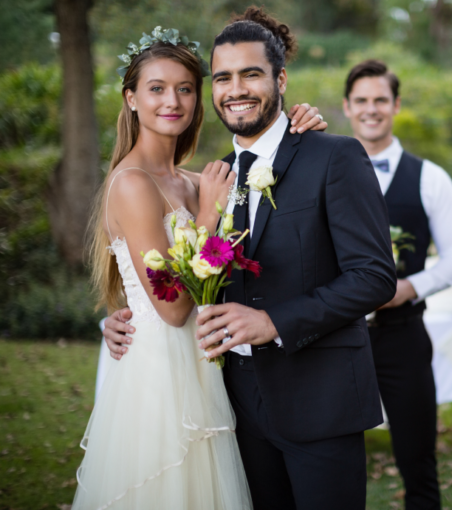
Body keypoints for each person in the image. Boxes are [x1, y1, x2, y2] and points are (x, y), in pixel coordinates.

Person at [102, 8, 396, 510]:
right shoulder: (216, 177)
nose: (235, 89)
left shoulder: (334, 156)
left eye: (251, 74)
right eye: (222, 78)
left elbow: (374, 277)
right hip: (230, 407)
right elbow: (172, 267)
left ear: (280, 79)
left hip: (318, 402)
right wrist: (119, 316)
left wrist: (272, 322)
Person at [75, 23, 327, 510]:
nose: (173, 100)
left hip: (212, 366)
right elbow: (170, 308)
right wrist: (209, 216)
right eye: (157, 89)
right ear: (130, 99)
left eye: (185, 88)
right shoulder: (131, 183)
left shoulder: (198, 179)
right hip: (161, 374)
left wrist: (303, 123)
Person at [342, 59, 452, 510]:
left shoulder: (431, 178)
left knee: (418, 460)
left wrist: (409, 287)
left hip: (403, 337)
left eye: (380, 100)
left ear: (396, 105)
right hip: (336, 338)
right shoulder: (323, 172)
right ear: (347, 107)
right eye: (362, 100)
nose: (371, 109)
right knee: (331, 462)